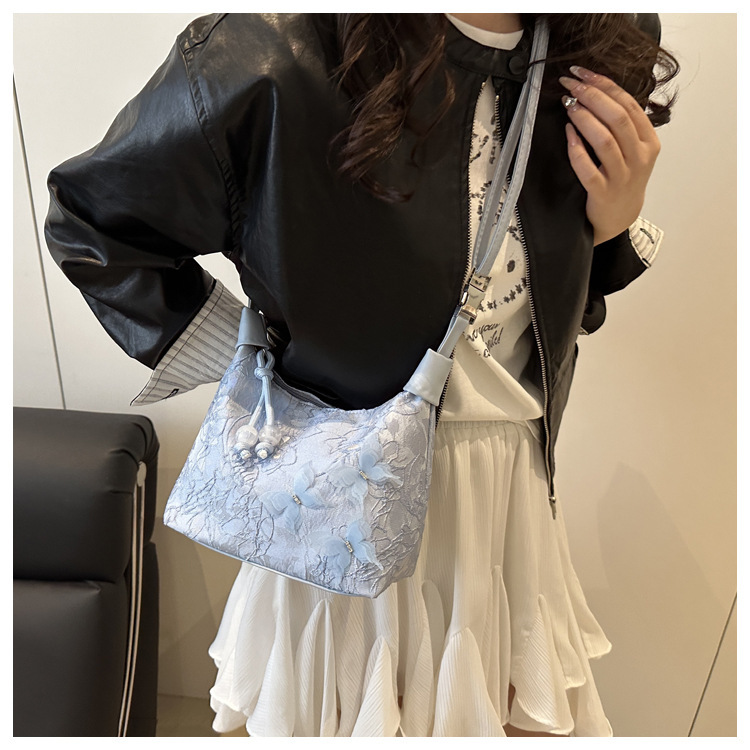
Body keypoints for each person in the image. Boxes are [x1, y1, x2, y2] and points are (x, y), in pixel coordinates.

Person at [43, 12, 679, 737]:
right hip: (340, 498)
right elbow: (95, 224)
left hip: (510, 506)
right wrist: (252, 374)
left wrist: (609, 225)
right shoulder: (274, 49)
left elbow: (540, 310)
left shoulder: (600, 43)